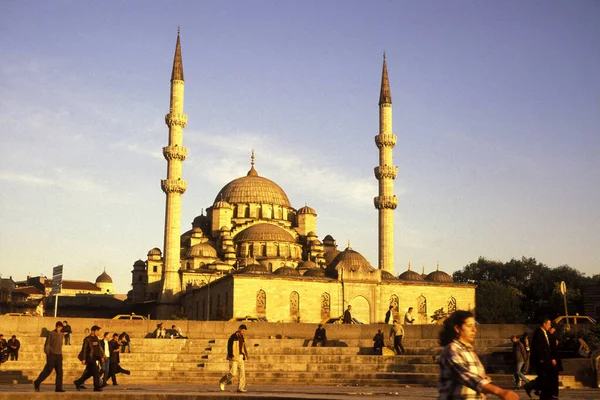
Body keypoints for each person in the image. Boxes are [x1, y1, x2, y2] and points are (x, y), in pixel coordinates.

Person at [438, 310, 518, 400]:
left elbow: (474, 378)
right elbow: (466, 376)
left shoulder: (470, 351)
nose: (474, 330)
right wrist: (500, 391)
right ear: (457, 328)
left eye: (474, 326)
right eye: (469, 326)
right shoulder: (452, 350)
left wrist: (484, 379)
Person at [523, 317, 555, 400]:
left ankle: (533, 388)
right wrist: (541, 358)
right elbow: (538, 347)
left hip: (545, 358)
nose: (549, 326)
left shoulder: (544, 332)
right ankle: (536, 389)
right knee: (544, 376)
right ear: (544, 324)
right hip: (541, 360)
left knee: (544, 377)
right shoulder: (539, 332)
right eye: (548, 324)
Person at [33, 321, 64, 392]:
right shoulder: (51, 334)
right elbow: (47, 345)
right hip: (52, 355)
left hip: (59, 355)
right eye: (57, 327)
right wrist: (48, 354)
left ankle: (58, 388)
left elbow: (60, 345)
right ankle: (37, 382)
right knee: (48, 371)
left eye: (60, 327)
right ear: (56, 327)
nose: (58, 329)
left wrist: (60, 355)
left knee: (60, 372)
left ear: (61, 327)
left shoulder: (61, 335)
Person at [219, 324, 249, 393]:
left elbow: (243, 347)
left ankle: (241, 387)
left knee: (242, 372)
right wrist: (230, 355)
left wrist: (245, 356)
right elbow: (229, 346)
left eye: (245, 331)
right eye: (243, 330)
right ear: (239, 329)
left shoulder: (242, 337)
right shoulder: (233, 337)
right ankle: (223, 381)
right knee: (233, 373)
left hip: (240, 356)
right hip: (234, 356)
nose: (244, 332)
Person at [74, 325, 105, 392]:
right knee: (96, 372)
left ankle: (78, 382)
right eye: (97, 331)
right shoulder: (87, 339)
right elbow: (84, 349)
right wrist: (84, 359)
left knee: (89, 373)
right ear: (92, 331)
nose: (98, 332)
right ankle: (96, 387)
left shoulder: (96, 338)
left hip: (95, 358)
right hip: (89, 358)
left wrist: (101, 357)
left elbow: (98, 349)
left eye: (98, 331)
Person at [547, 324, 561, 400]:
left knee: (554, 377)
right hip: (553, 359)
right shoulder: (549, 336)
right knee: (553, 377)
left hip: (554, 358)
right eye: (552, 328)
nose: (553, 330)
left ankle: (554, 393)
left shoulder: (551, 336)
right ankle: (553, 393)